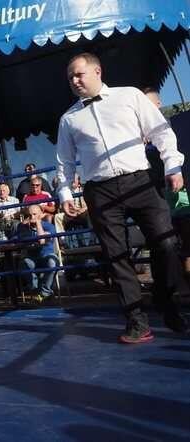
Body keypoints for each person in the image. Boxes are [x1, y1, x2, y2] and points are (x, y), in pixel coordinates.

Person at [56, 52, 188, 344]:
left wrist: (173, 166)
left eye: (79, 74)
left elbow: (161, 132)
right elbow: (64, 162)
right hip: (99, 190)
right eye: (70, 78)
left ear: (97, 71)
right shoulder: (68, 119)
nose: (74, 81)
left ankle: (167, 302)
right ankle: (137, 321)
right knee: (116, 257)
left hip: (139, 180)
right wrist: (65, 192)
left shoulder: (129, 96)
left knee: (166, 242)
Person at [15, 205, 59, 301]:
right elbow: (17, 240)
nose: (32, 217)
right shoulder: (22, 227)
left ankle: (44, 293)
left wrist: (38, 223)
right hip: (31, 257)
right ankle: (36, 290)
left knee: (52, 263)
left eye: (34, 214)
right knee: (24, 264)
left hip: (46, 255)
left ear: (41, 214)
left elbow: (41, 240)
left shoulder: (49, 226)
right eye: (29, 215)